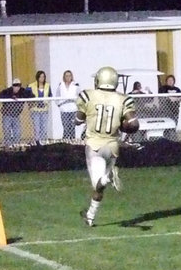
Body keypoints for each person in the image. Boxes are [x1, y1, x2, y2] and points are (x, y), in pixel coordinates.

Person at [76, 67, 139, 227]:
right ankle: (90, 216)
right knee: (101, 187)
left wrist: (77, 120)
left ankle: (107, 178)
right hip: (112, 146)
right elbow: (134, 124)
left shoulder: (88, 95)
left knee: (99, 182)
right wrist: (124, 127)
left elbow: (79, 117)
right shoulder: (123, 99)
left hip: (94, 146)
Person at [0, 78, 32, 147]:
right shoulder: (7, 91)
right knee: (7, 131)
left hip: (16, 115)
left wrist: (28, 91)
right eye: (15, 86)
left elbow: (31, 95)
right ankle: (8, 146)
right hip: (7, 115)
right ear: (12, 86)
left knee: (17, 132)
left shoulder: (22, 91)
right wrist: (10, 97)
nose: (16, 88)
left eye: (18, 86)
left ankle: (16, 145)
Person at [56, 70, 81, 140]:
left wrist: (78, 105)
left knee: (72, 127)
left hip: (73, 109)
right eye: (66, 76)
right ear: (64, 77)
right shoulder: (61, 86)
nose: (68, 77)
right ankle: (65, 141)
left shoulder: (76, 86)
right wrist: (59, 105)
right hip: (64, 110)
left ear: (71, 77)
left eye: (69, 76)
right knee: (66, 127)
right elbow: (57, 96)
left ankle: (72, 141)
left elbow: (80, 96)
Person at [28, 71, 52, 143]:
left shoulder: (47, 86)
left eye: (43, 77)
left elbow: (50, 96)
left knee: (44, 128)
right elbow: (27, 95)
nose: (42, 78)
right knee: (37, 128)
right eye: (40, 77)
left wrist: (46, 102)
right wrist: (31, 103)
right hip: (35, 110)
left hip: (44, 109)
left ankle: (43, 142)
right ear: (37, 77)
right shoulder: (31, 86)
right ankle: (37, 143)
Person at [158, 74, 181, 140]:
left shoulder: (177, 89)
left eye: (172, 80)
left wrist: (175, 99)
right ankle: (167, 140)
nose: (170, 81)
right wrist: (169, 98)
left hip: (174, 111)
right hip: (165, 112)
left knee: (173, 126)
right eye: (169, 80)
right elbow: (161, 97)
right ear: (166, 81)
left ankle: (173, 141)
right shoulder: (162, 88)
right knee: (166, 128)